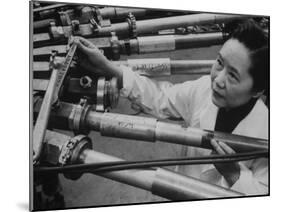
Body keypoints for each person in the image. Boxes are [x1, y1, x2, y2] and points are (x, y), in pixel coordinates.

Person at [71, 19, 269, 196]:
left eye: (233, 75)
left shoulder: (268, 132)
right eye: (219, 63)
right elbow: (162, 98)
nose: (218, 79)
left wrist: (234, 174)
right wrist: (108, 67)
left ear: (257, 90)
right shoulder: (203, 89)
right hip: (180, 189)